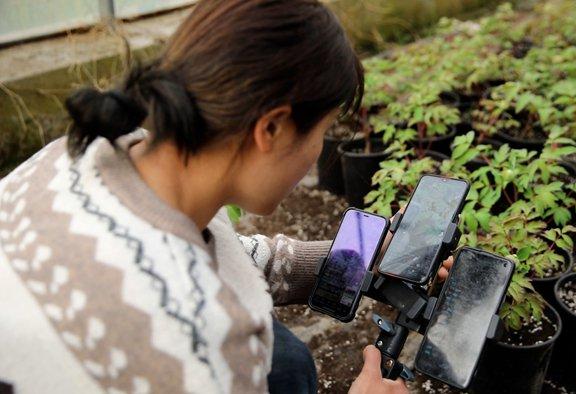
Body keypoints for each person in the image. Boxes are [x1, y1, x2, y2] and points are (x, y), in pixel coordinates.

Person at [0, 1, 453, 393]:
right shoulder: (204, 345)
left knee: (289, 360)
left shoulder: (87, 150)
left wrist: (360, 257)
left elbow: (226, 258)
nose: (319, 152)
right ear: (271, 129)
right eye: (323, 131)